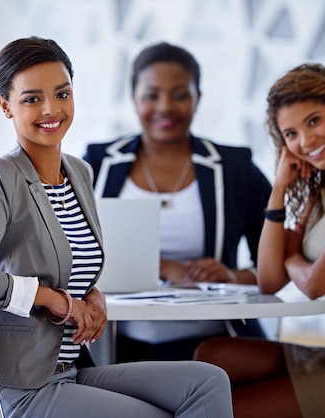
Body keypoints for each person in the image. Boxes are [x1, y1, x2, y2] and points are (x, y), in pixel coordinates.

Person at [0, 36, 234, 417]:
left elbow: (66, 262)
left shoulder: (79, 173)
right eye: (31, 99)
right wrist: (53, 299)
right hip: (19, 388)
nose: (51, 109)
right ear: (5, 106)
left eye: (62, 94)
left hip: (72, 370)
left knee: (208, 383)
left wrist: (93, 294)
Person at [193, 63, 325, 418]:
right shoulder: (322, 192)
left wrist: (294, 260)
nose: (306, 142)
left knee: (221, 409)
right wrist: (279, 191)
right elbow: (270, 279)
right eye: (291, 134)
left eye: (314, 121)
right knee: (212, 355)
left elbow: (316, 283)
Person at [83, 42, 271, 361]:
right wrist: (164, 267)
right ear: (134, 98)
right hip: (115, 345)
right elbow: (68, 253)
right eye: (151, 95)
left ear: (199, 98)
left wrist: (234, 276)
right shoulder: (97, 164)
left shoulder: (234, 168)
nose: (165, 107)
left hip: (214, 344)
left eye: (180, 94)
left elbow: (273, 265)